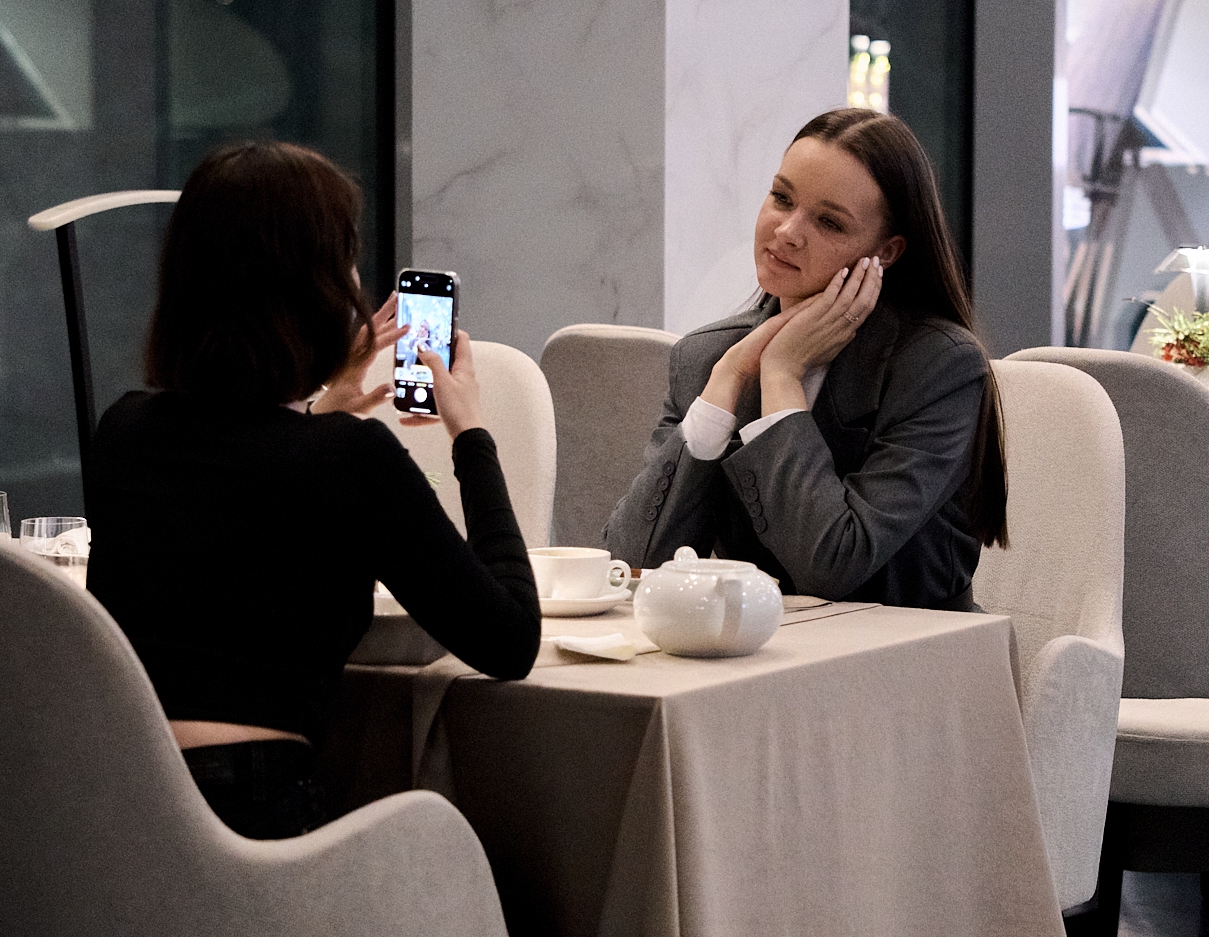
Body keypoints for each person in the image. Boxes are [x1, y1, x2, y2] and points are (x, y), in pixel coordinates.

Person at [85, 141, 539, 839]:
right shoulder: (348, 460)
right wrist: (470, 432)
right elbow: (509, 640)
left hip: (112, 819)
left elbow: (232, 525)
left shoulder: (123, 431)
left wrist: (316, 408)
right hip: (257, 823)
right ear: (315, 288)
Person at [605, 108, 1007, 609]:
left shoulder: (939, 367)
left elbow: (831, 567)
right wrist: (727, 379)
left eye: (829, 222)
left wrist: (781, 375)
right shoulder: (709, 356)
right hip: (754, 645)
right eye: (781, 198)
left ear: (886, 252)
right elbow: (633, 564)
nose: (788, 231)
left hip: (908, 649)